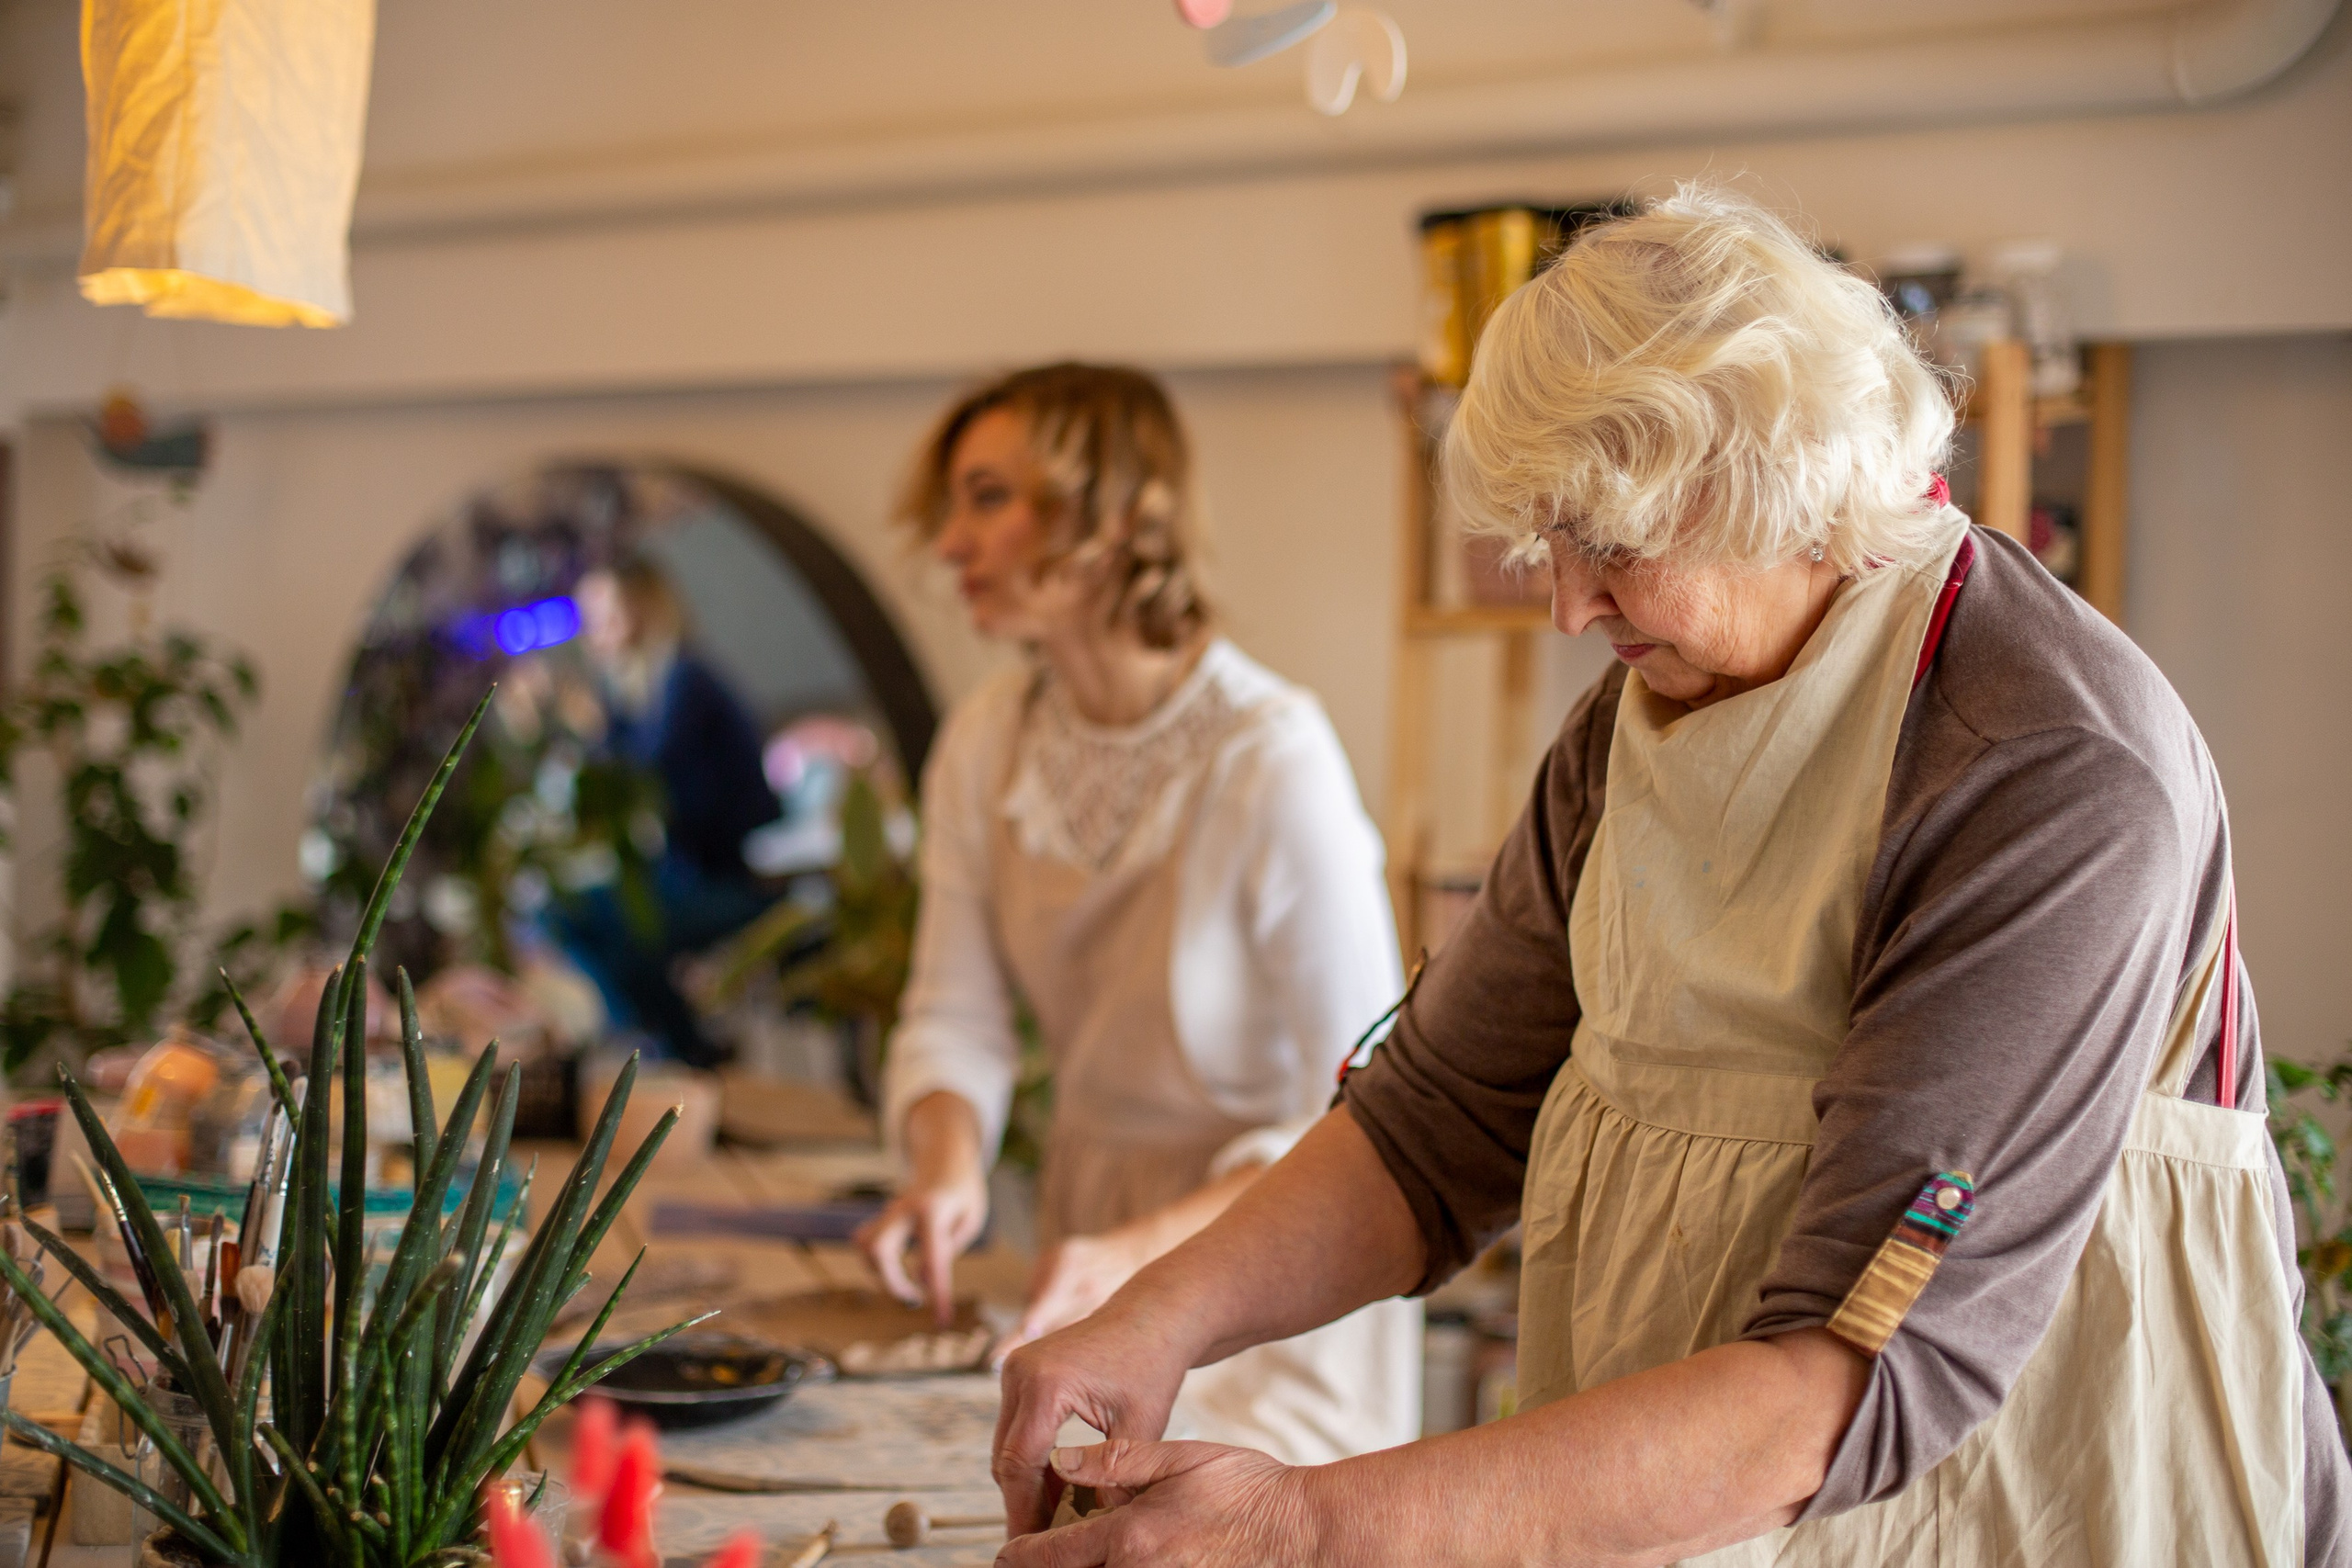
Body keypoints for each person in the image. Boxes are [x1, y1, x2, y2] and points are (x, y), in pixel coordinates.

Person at [990, 190, 2352, 1567]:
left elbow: (1847, 1376)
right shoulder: (1641, 714)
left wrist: (1305, 1523)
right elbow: (1434, 1124)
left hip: (2030, 1495)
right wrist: (1151, 1317)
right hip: (1711, 1496)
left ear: (1782, 481)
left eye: (1610, 542)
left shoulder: (2042, 760)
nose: (1569, 606)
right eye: (1548, 543)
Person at [855, 363, 1420, 1464]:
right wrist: (946, 1164)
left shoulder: (1271, 758)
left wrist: (1145, 1259)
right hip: (1092, 1234)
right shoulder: (987, 740)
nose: (952, 546)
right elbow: (954, 1016)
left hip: (1282, 1268)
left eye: (987, 499)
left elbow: (1377, 1105)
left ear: (1110, 514)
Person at [547, 558, 779, 1066]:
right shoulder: (638, 688)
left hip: (727, 882)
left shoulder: (685, 683)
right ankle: (675, 1047)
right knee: (570, 913)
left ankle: (674, 1052)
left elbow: (651, 788)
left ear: (641, 607)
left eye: (601, 612)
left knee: (596, 922)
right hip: (682, 878)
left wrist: (594, 734)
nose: (591, 630)